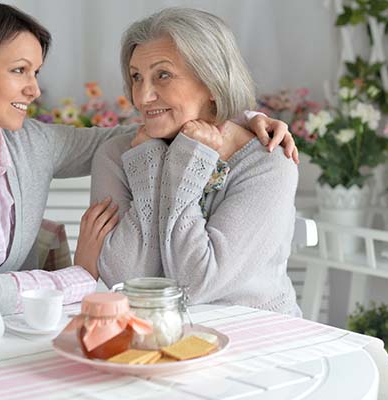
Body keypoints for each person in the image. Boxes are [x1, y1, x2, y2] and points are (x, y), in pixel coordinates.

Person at [0, 3, 298, 334]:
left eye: (35, 71)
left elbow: (145, 127)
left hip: (1, 334)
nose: (34, 88)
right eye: (19, 71)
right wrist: (81, 274)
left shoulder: (29, 144)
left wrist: (238, 119)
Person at [92, 7, 301, 316]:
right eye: (137, 77)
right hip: (157, 337)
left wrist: (187, 166)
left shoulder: (267, 163)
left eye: (162, 75)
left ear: (213, 83)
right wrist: (150, 166)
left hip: (259, 337)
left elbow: (195, 284)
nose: (143, 96)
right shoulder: (118, 155)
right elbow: (124, 280)